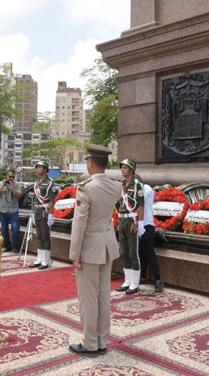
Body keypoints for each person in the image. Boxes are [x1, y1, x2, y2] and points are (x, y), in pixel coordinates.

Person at [68, 144, 121, 358]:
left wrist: (74, 254)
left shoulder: (86, 187)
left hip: (90, 249)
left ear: (90, 162)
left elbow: (79, 224)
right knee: (103, 297)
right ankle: (101, 341)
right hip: (107, 247)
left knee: (88, 298)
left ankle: (90, 343)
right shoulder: (115, 186)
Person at [115, 159, 144, 295]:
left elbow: (141, 205)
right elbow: (116, 203)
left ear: (132, 170)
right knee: (124, 252)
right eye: (122, 168)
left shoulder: (137, 185)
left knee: (133, 253)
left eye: (125, 168)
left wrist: (141, 222)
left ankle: (135, 284)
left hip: (132, 221)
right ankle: (127, 280)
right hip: (122, 221)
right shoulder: (120, 185)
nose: (123, 170)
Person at [136, 175, 164, 294]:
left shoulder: (146, 188)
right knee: (139, 252)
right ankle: (142, 276)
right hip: (136, 225)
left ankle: (158, 280)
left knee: (149, 253)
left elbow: (139, 201)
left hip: (147, 225)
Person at [30, 160, 58, 269]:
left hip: (44, 212)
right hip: (37, 212)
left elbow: (51, 200)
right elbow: (35, 200)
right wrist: (33, 213)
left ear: (45, 170)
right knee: (39, 236)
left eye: (40, 167)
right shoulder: (37, 183)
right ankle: (39, 259)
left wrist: (51, 215)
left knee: (46, 236)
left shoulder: (50, 183)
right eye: (37, 167)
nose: (38, 169)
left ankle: (46, 260)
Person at [0, 169, 22, 253]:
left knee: (15, 229)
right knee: (4, 229)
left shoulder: (16, 184)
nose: (11, 178)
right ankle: (7, 245)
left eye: (13, 177)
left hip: (13, 210)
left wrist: (12, 188)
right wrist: (3, 186)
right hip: (3, 210)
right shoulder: (0, 183)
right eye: (10, 176)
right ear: (7, 175)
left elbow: (19, 195)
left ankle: (15, 246)